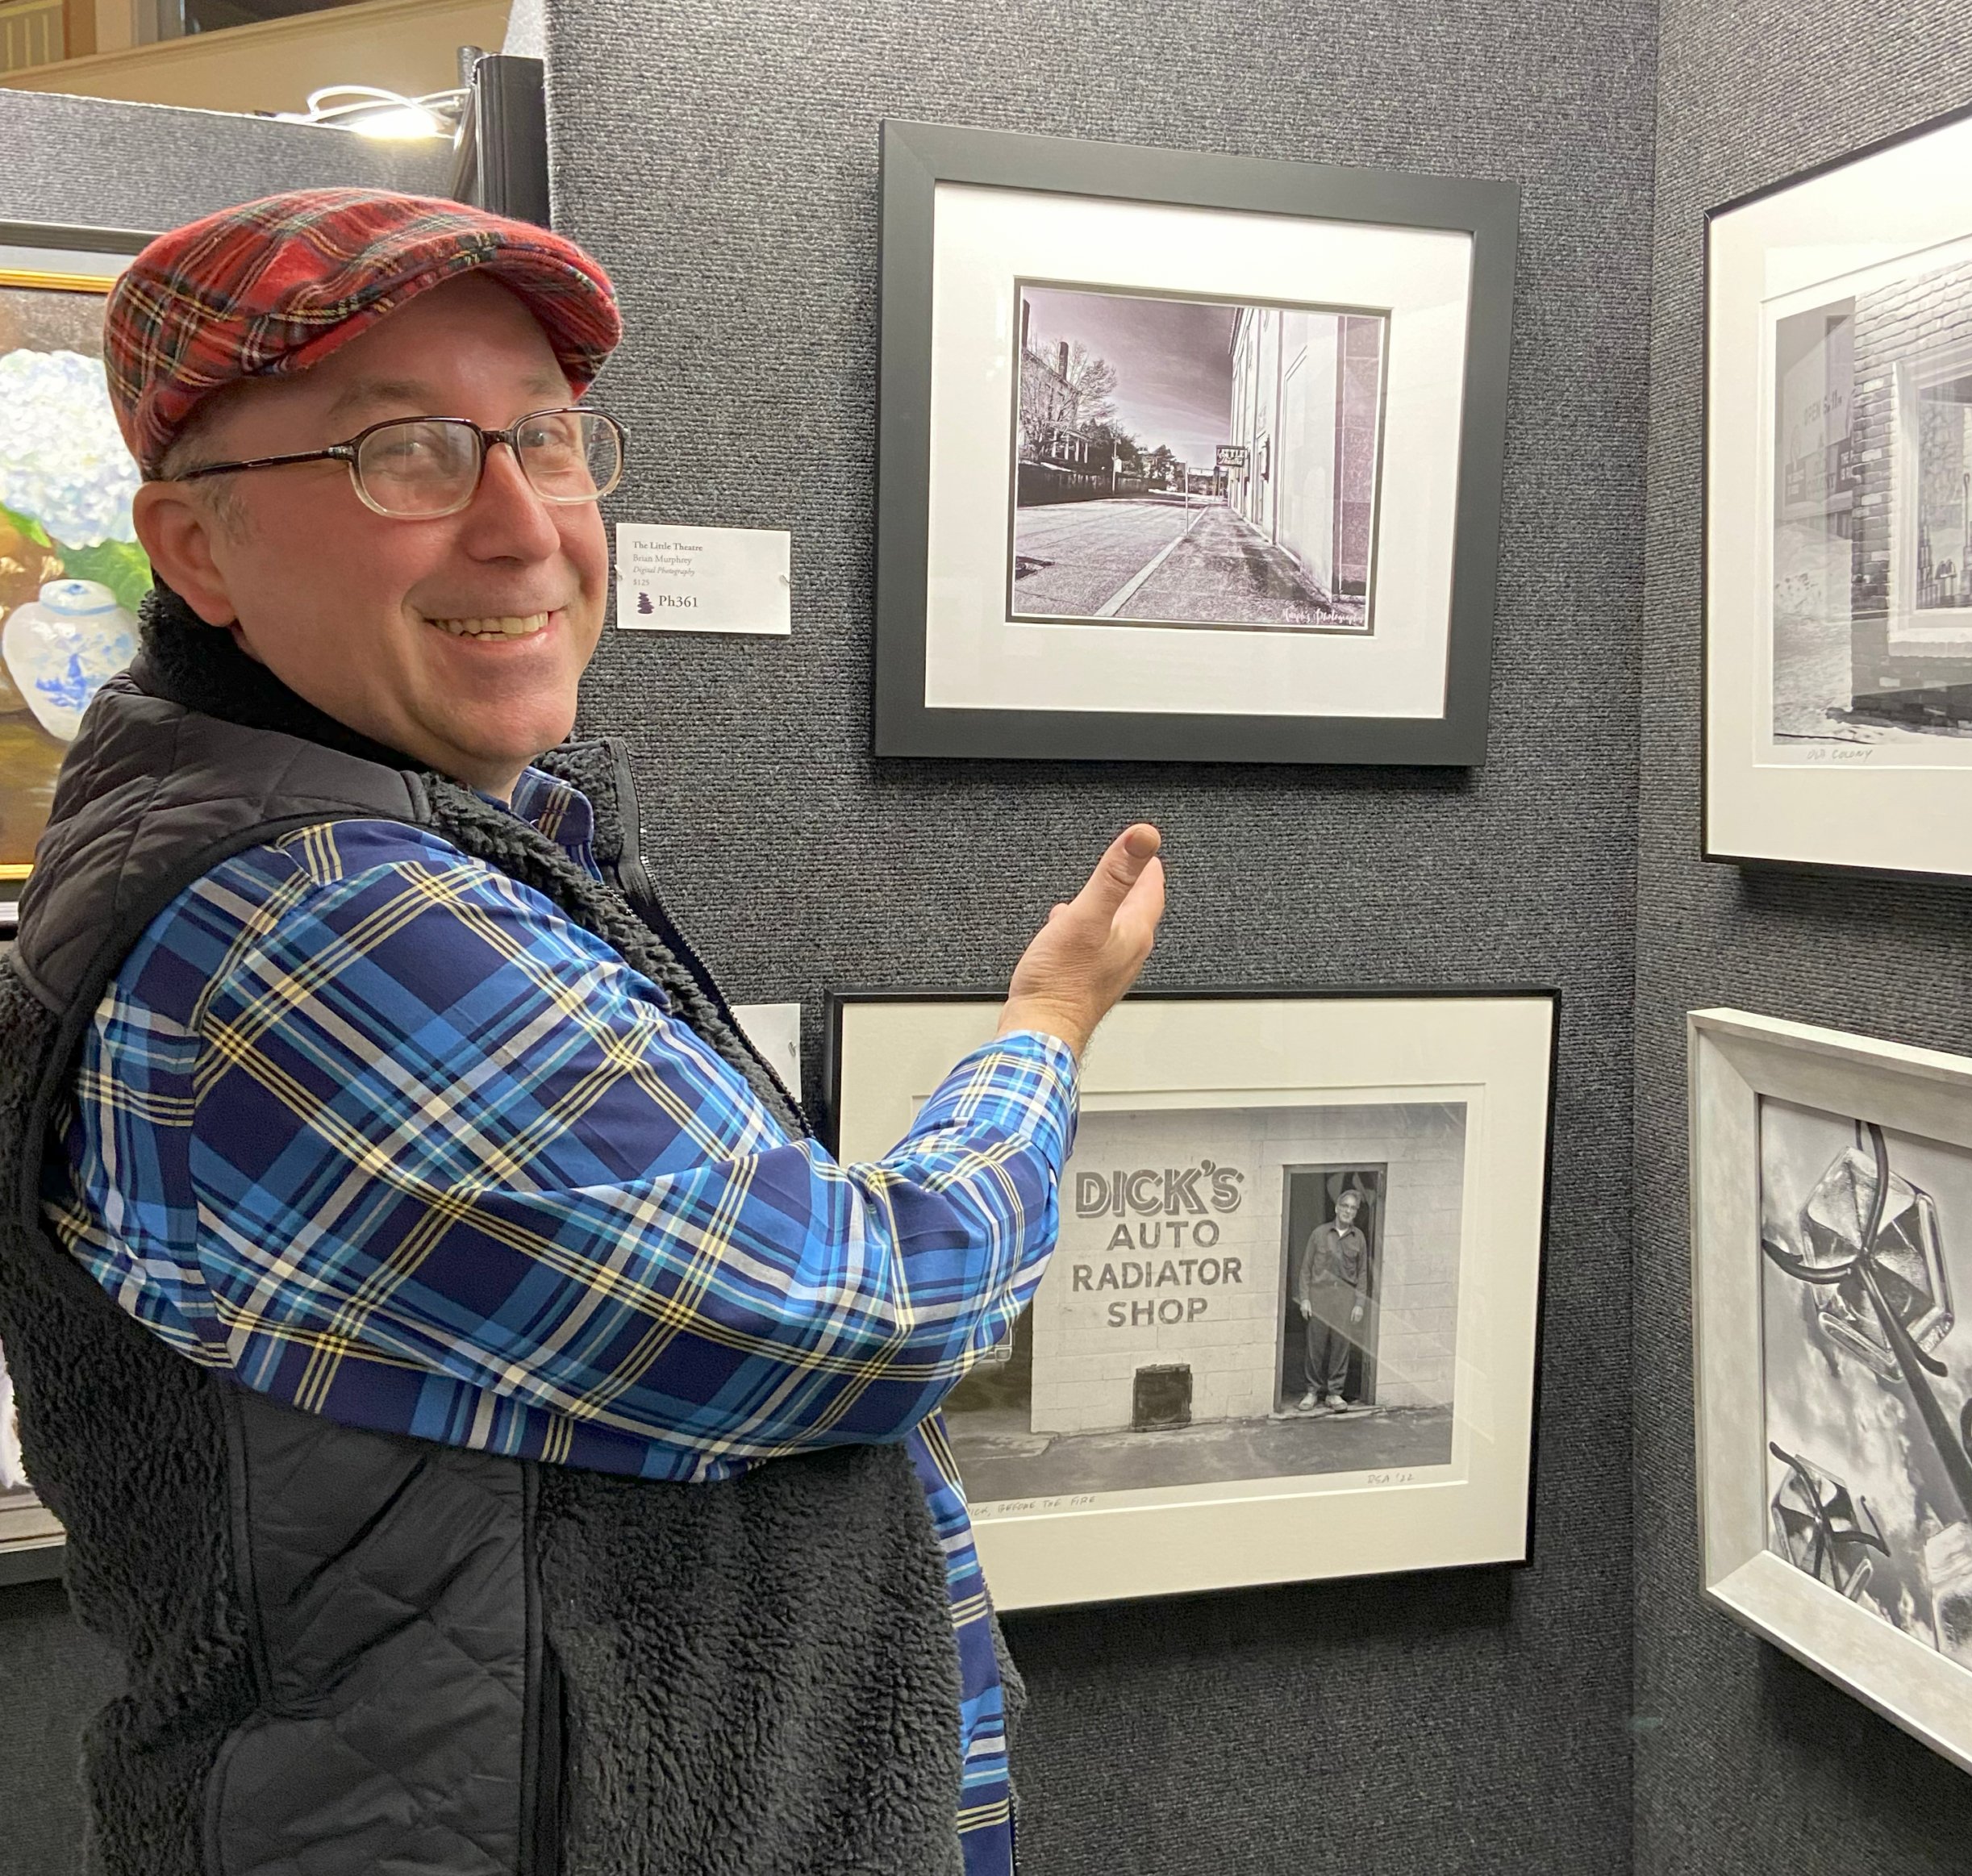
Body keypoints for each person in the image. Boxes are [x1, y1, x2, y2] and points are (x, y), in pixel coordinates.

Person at [0, 190, 1164, 1876]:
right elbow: (864, 1311)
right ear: (195, 549)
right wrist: (1043, 1031)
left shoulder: (399, 833)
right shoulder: (315, 919)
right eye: (402, 451)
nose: (520, 525)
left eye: (541, 438)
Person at [1295, 1185, 1371, 1411]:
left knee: (1341, 1346)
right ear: (1337, 1208)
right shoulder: (1319, 1234)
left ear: (1356, 1212)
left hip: (1345, 1298)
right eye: (1345, 1206)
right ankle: (1311, 1392)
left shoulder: (1359, 1238)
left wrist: (1359, 1303)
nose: (1348, 1211)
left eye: (1353, 1208)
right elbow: (1306, 1268)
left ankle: (1334, 1394)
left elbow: (1363, 1273)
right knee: (1316, 1346)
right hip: (1320, 1296)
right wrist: (1305, 1298)